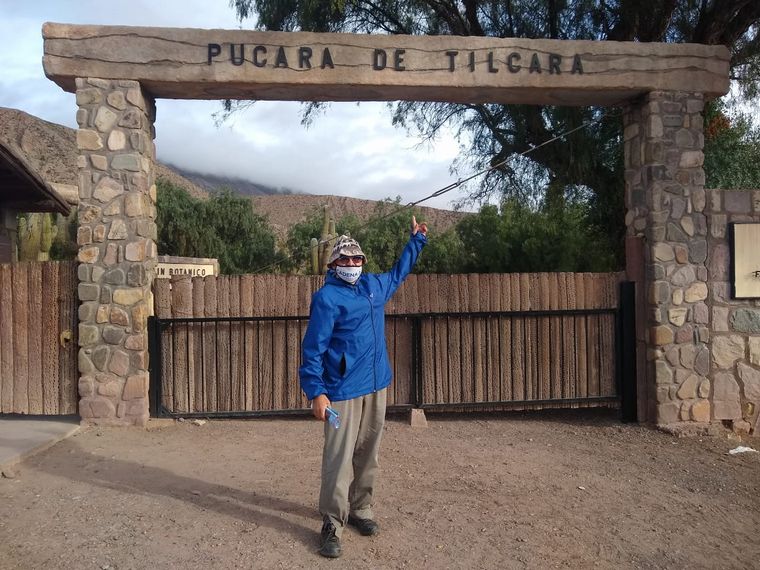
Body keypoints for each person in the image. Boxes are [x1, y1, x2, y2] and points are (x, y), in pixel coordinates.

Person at [299, 216, 428, 558]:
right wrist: (316, 391)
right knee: (339, 459)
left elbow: (399, 273)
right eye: (345, 259)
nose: (353, 264)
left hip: (375, 385)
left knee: (369, 453)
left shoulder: (373, 287)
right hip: (342, 391)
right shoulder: (327, 298)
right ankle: (332, 522)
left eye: (357, 259)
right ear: (334, 264)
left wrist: (416, 241)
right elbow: (313, 348)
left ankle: (361, 508)